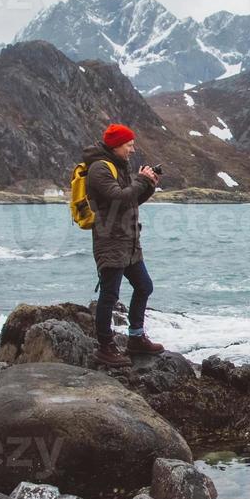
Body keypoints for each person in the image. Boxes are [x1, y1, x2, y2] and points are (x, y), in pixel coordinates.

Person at [81, 123, 164, 366]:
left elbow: (132, 201)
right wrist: (140, 180)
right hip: (110, 242)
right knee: (109, 295)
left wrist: (148, 184)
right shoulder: (99, 169)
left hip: (129, 243)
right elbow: (118, 198)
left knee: (144, 286)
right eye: (129, 145)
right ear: (117, 146)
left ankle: (136, 337)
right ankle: (105, 348)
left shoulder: (119, 166)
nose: (132, 149)